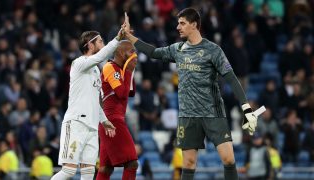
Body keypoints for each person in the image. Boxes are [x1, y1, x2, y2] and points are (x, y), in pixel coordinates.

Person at [123, 8, 258, 180]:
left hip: (213, 113)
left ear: (194, 25)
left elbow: (231, 79)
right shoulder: (177, 49)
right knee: (187, 164)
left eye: (182, 23)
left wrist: (246, 108)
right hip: (188, 115)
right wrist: (129, 36)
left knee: (229, 159)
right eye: (178, 23)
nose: (178, 27)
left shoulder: (213, 50)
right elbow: (152, 52)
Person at [50, 27, 124, 179]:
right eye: (100, 41)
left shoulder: (96, 71)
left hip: (92, 127)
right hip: (76, 123)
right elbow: (100, 57)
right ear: (90, 45)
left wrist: (104, 121)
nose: (103, 45)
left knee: (89, 174)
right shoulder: (79, 63)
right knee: (68, 171)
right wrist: (117, 39)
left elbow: (95, 101)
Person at [96, 40, 138, 180]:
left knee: (105, 168)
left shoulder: (121, 70)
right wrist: (129, 71)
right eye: (131, 52)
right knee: (132, 163)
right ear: (121, 52)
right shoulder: (110, 67)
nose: (134, 55)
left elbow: (131, 92)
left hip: (109, 121)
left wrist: (129, 71)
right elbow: (121, 93)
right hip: (112, 120)